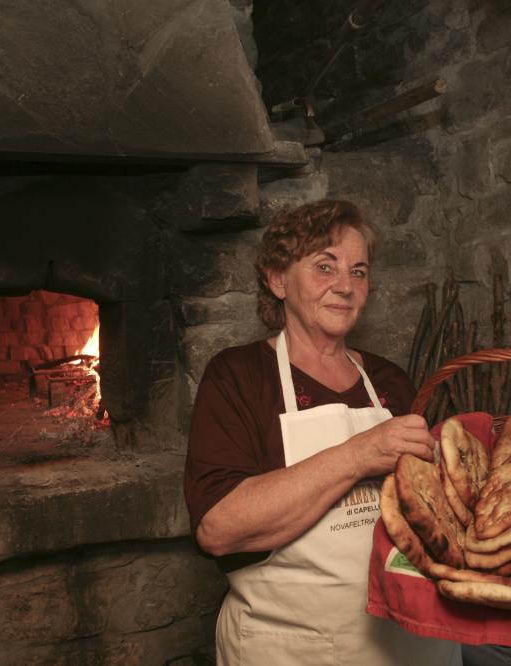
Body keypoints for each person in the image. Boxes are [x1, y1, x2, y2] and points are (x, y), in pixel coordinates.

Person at [184, 199, 461, 666]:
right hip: (298, 649)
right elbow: (218, 527)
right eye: (324, 267)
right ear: (277, 280)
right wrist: (357, 456)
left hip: (417, 645)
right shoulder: (240, 377)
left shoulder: (391, 382)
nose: (345, 287)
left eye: (358, 271)